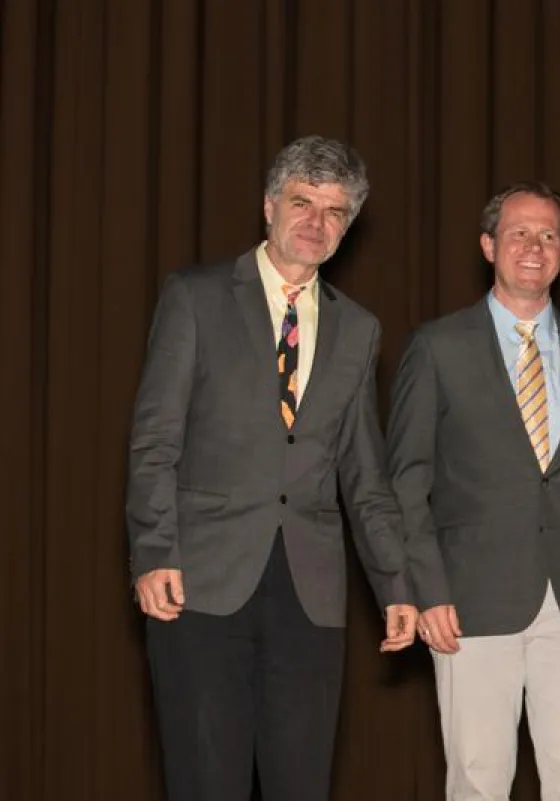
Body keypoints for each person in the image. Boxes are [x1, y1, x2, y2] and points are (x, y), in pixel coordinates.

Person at [126, 135, 417, 801]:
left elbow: (364, 475)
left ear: (349, 227)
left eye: (336, 211)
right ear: (268, 207)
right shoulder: (195, 297)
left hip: (309, 597)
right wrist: (152, 550)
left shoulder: (359, 328)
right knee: (207, 780)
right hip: (198, 582)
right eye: (303, 203)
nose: (317, 222)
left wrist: (395, 583)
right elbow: (154, 439)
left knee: (301, 784)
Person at [387, 181, 560, 801]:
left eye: (548, 235)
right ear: (488, 244)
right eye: (519, 232)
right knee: (477, 782)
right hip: (470, 601)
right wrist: (426, 589)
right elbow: (407, 481)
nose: (534, 246)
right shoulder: (437, 347)